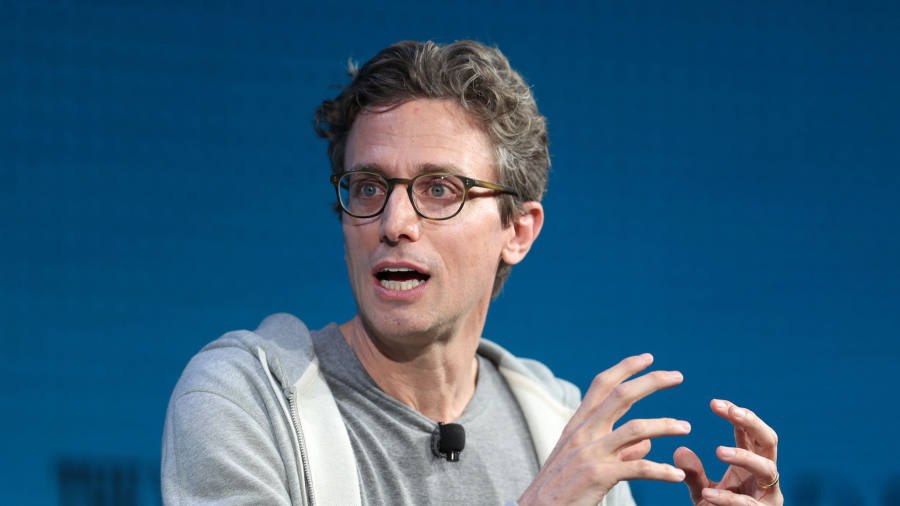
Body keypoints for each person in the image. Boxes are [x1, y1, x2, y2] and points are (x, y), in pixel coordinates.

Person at [162, 40, 783, 506]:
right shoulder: (247, 400)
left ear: (518, 231)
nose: (393, 222)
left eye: (439, 189)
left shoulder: (560, 426)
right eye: (370, 186)